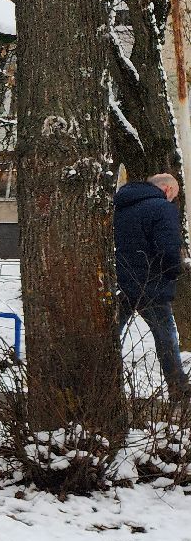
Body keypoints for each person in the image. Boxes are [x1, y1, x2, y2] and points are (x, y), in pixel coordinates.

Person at [113, 172, 187, 401]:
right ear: (167, 190)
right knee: (165, 336)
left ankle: (97, 383)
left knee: (110, 334)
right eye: (173, 195)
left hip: (121, 280)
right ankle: (178, 386)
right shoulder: (162, 208)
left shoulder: (122, 206)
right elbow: (168, 247)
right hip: (151, 283)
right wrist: (174, 269)